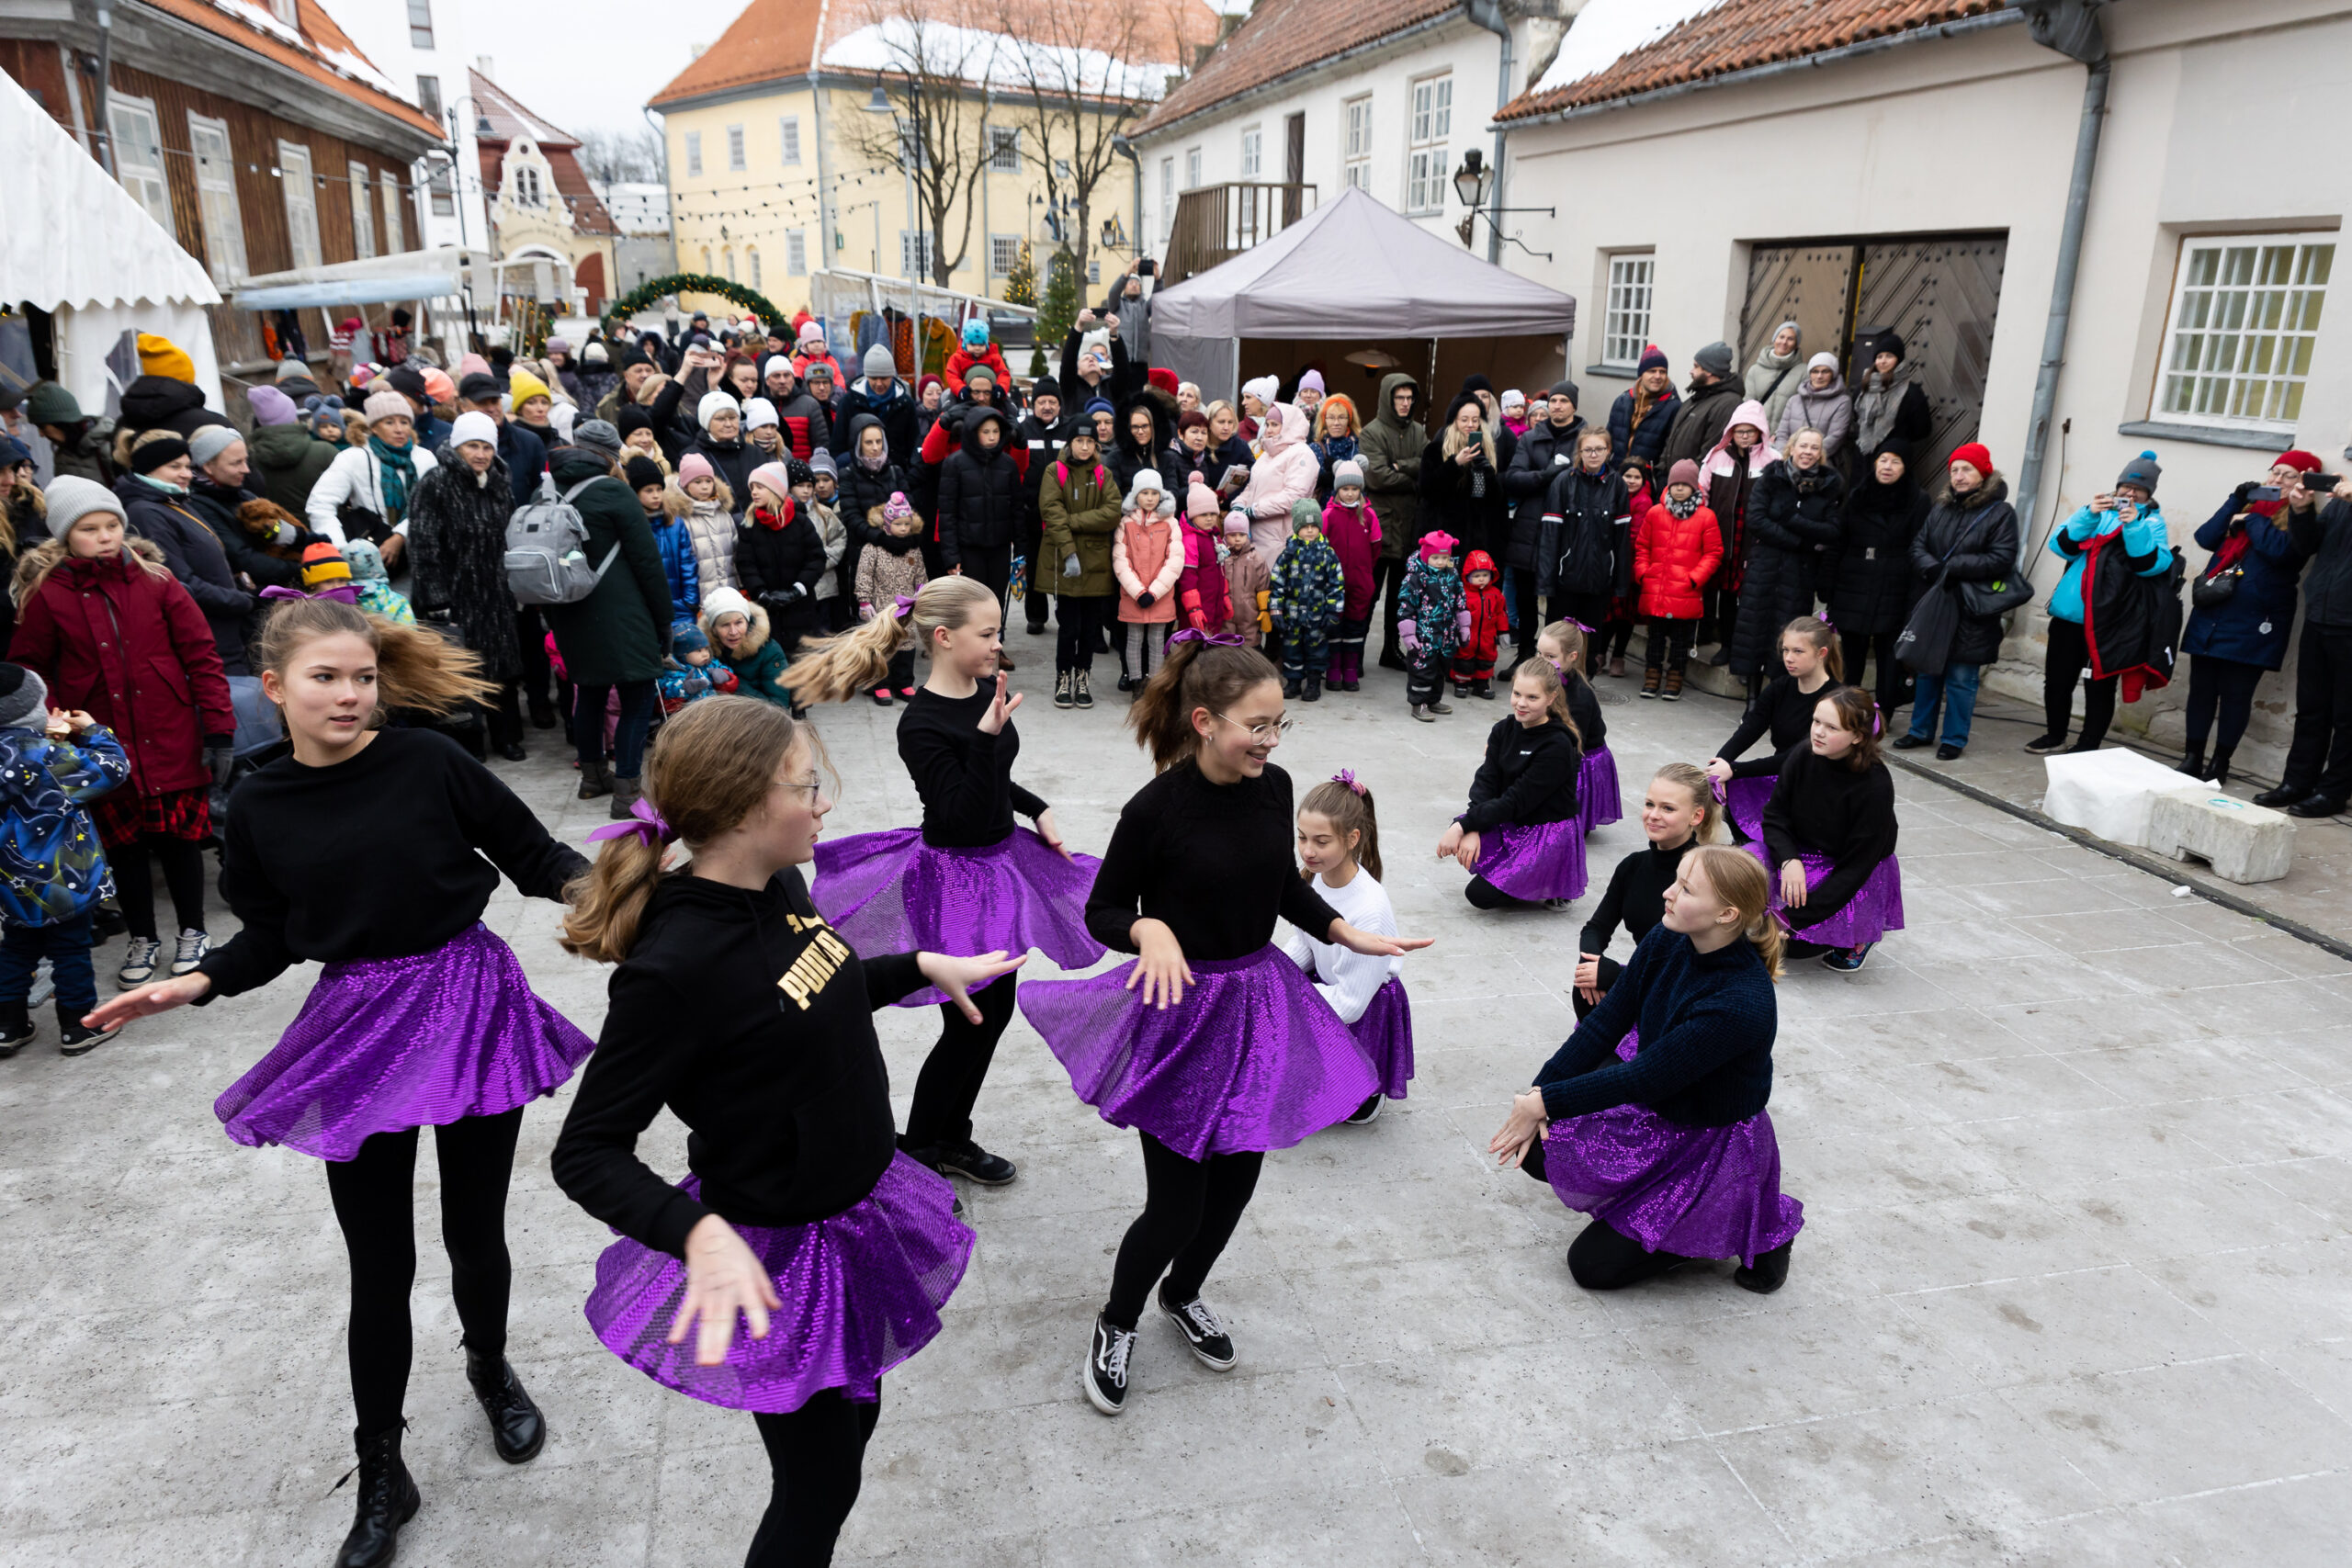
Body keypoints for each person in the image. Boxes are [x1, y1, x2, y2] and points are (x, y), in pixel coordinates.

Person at [88, 597, 595, 1567]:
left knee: (474, 1227)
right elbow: (274, 935)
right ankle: (381, 1467)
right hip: (358, 1026)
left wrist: (616, 892)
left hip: (468, 1000)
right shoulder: (259, 804)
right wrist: (192, 984)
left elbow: (536, 858)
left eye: (363, 676)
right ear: (274, 688)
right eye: (327, 677)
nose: (351, 694)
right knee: (381, 1263)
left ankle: (490, 1369)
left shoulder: (431, 760)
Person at [550, 696, 1001, 1568]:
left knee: (853, 1427)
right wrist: (698, 1236)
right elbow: (585, 1151)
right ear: (746, 806)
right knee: (818, 1489)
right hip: (779, 1255)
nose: (824, 803)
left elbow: (808, 987)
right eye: (807, 786)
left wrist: (916, 966)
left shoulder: (778, 883)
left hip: (857, 1212)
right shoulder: (674, 969)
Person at [1019, 635, 1427, 1416]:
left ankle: (1186, 1292)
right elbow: (1104, 908)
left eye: (1280, 726)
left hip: (1257, 1003)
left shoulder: (1273, 789)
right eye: (1257, 726)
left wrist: (1345, 931)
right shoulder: (1156, 809)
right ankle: (1117, 1319)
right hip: (1179, 1014)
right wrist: (1150, 931)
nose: (1271, 742)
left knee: (1237, 1185)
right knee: (1175, 1202)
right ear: (1205, 721)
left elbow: (1281, 885)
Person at [788, 577, 1102, 1190]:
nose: (997, 644)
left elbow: (996, 779)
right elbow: (957, 813)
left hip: (998, 867)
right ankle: (927, 1146)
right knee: (973, 1020)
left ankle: (945, 1135)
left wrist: (1034, 805)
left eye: (997, 632)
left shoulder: (985, 688)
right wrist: (985, 737)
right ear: (944, 636)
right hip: (955, 881)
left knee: (989, 1014)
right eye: (987, 633)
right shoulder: (921, 723)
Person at [1490, 843, 1801, 1294]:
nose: (1668, 894)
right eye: (1675, 880)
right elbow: (1604, 1024)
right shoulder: (1669, 937)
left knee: (1591, 1269)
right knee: (1540, 1148)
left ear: (1727, 915)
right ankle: (1655, 1212)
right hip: (1658, 1112)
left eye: (1686, 889)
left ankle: (1741, 1223)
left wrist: (1545, 1101)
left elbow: (1646, 1075)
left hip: (1709, 1141)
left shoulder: (1739, 1002)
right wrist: (1538, 1095)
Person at [12, 477, 232, 986]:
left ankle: (193, 931)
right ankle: (142, 936)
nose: (106, 536)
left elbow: (201, 654)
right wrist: (51, 732)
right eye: (90, 529)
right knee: (124, 848)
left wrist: (218, 727)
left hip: (170, 734)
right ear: (66, 537)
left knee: (180, 841)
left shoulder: (157, 580)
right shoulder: (50, 596)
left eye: (112, 525)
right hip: (100, 747)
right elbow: (29, 670)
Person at [0, 669, 130, 1055]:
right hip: (63, 879)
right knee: (71, 949)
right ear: (29, 713)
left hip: (9, 882)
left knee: (15, 950)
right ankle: (78, 1026)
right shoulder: (47, 757)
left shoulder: (29, 751)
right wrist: (91, 731)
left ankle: (7, 1026)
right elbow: (112, 768)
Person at [544, 434, 674, 813]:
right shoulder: (614, 494)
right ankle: (626, 791)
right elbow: (647, 562)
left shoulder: (547, 491)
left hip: (569, 611)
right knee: (637, 698)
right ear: (608, 457)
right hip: (622, 614)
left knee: (590, 693)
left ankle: (592, 778)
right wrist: (663, 620)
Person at [2175, 453, 2319, 784]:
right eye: (2275, 472)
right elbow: (2206, 538)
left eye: (2288, 475)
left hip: (2256, 622)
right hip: (2213, 612)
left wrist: (2249, 521)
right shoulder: (2247, 509)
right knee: (2201, 691)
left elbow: (2282, 552)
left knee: (2236, 695)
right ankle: (2192, 757)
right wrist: (2235, 502)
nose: (2276, 480)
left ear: (2302, 483)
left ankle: (2220, 763)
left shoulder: (2300, 518)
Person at [2026, 450, 2176, 756]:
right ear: (2117, 486)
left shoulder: (2153, 523)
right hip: (2069, 616)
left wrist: (2133, 526)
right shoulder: (2095, 512)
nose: (2130, 493)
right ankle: (2055, 735)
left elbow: (2150, 565)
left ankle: (2088, 744)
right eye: (2126, 487)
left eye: (2139, 490)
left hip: (2111, 622)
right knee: (2057, 681)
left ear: (2148, 494)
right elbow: (2062, 546)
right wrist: (2088, 514)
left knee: (2099, 687)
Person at [390, 418, 525, 758]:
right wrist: (436, 600)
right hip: (454, 597)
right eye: (473, 446)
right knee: (460, 673)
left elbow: (510, 538)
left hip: (496, 595)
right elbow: (423, 546)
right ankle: (469, 742)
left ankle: (506, 736)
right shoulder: (435, 483)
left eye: (487, 447)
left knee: (501, 671)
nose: (480, 454)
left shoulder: (499, 482)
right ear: (458, 447)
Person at [1283, 773, 1409, 1126]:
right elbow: (1307, 940)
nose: (1308, 851)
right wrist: (1274, 971)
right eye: (1302, 838)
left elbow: (1351, 1004)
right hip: (1328, 985)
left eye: (1321, 842)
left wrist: (1292, 998)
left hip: (1361, 1005)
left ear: (1352, 838)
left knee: (1327, 1110)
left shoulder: (1369, 910)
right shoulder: (1312, 876)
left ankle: (1368, 1085)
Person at [1758, 686, 1903, 970]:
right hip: (1803, 848)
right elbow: (1775, 816)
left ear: (1858, 737)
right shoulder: (1803, 754)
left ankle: (1860, 935)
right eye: (1816, 721)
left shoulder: (1875, 785)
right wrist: (1788, 860)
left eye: (1831, 727)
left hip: (1849, 863)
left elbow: (1855, 868)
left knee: (1796, 947)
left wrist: (1791, 919)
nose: (1818, 732)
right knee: (1741, 868)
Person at [1894, 441, 2019, 759]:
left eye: (1967, 469)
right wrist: (1933, 567)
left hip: (1970, 607)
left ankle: (1954, 739)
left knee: (1962, 678)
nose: (1959, 476)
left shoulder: (2000, 512)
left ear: (1983, 473)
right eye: (1954, 470)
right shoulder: (1941, 507)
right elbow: (1918, 546)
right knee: (1926, 670)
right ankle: (1920, 731)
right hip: (1937, 601)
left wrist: (1953, 567)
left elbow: (2002, 557)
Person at [1573, 763, 1721, 1021]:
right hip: (1648, 978)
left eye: (1668, 808)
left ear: (1696, 816)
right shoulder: (1633, 865)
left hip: (1687, 994)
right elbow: (1596, 927)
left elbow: (1692, 968)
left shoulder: (1707, 875)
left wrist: (1618, 976)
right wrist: (1591, 961)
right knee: (1586, 983)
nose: (1653, 815)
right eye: (1650, 804)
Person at [1439, 656, 1586, 910]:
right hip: (1511, 816)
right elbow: (1486, 781)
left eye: (1532, 697)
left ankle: (1550, 879)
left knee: (1480, 896)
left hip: (1544, 829)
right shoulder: (1503, 729)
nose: (1521, 703)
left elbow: (1518, 800)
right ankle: (1517, 873)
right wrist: (1472, 827)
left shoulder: (1558, 745)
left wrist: (1466, 824)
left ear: (1551, 698)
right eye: (1517, 693)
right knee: (1465, 833)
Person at [113, 432, 261, 676]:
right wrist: (240, 601)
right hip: (206, 633)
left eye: (187, 466)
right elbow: (180, 580)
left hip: (225, 629)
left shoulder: (176, 502)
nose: (186, 473)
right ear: (149, 470)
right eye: (175, 467)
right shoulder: (146, 512)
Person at [2257, 473, 2352, 816]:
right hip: (2320, 617)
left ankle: (2333, 792)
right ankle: (2297, 782)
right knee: (2311, 709)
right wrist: (2301, 510)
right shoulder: (2341, 501)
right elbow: (2308, 545)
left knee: (2347, 717)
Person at [1705, 615, 1844, 840]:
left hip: (1816, 782)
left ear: (1822, 654)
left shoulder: (1836, 699)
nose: (1788, 658)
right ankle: (1746, 844)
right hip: (1783, 774)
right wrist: (1718, 766)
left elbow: (1799, 754)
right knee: (1726, 783)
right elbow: (1750, 728)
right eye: (1785, 650)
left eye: (1798, 652)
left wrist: (1735, 769)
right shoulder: (1780, 687)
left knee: (1737, 777)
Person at [1822, 441, 1928, 721]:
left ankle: (1883, 715)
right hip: (1853, 585)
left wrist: (1914, 596)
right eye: (1883, 460)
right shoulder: (1859, 494)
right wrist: (1828, 585)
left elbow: (1920, 547)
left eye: (1895, 461)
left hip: (1894, 587)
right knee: (1851, 657)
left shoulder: (1917, 500)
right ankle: (1846, 711)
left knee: (1889, 658)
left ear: (1905, 467)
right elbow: (1838, 541)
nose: (1887, 467)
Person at [1733, 428, 1843, 694]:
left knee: (1790, 634)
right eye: (1803, 446)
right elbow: (1757, 521)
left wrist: (1793, 521)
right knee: (1754, 632)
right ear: (1791, 448)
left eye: (1814, 448)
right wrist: (1798, 541)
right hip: (1764, 567)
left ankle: (1778, 697)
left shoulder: (1830, 485)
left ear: (1821, 453)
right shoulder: (1771, 478)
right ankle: (1752, 701)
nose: (1807, 452)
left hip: (1800, 573)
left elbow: (1832, 530)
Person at [1504, 381, 1590, 661]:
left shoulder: (1584, 440)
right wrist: (1546, 475)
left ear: (1574, 406)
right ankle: (1525, 655)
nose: (1557, 406)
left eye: (1564, 400)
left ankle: (1554, 660)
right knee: (1526, 597)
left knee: (1559, 601)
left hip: (1566, 532)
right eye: (1553, 400)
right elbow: (1513, 479)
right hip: (1529, 531)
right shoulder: (1531, 438)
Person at [1038, 422, 1122, 711]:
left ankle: (1083, 677)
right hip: (1064, 561)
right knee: (1068, 627)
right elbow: (1051, 511)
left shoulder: (1103, 473)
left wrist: (1074, 521)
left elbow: (1112, 512)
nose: (1085, 447)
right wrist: (1071, 550)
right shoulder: (1055, 471)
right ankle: (1063, 678)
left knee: (1089, 628)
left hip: (1096, 563)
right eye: (1079, 441)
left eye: (1090, 441)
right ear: (1069, 443)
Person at [1696, 400, 1778, 671]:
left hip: (1755, 542)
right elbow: (1702, 494)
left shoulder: (1773, 461)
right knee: (1726, 598)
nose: (1744, 436)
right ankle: (1726, 646)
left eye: (1750, 431)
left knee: (1751, 601)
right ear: (1731, 430)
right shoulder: (1717, 456)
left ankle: (1749, 655)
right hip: (1724, 539)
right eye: (1739, 430)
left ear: (1760, 432)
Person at [1633, 458, 1723, 700]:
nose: (1679, 488)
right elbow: (1642, 545)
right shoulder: (1655, 513)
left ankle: (1675, 677)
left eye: (1685, 484)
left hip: (1686, 591)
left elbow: (1713, 553)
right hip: (1657, 589)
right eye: (1675, 484)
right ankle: (1651, 676)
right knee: (1655, 638)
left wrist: (1695, 579)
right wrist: (1643, 571)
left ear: (1694, 487)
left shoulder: (1706, 517)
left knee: (1681, 640)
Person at [735, 463, 826, 697]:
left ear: (776, 490)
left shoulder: (801, 522)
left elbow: (816, 558)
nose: (753, 492)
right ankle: (777, 701)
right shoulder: (749, 525)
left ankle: (799, 702)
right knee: (770, 657)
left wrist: (798, 590)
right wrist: (761, 593)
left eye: (760, 487)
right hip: (766, 607)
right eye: (752, 487)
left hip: (800, 605)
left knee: (799, 654)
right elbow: (746, 564)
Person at [1534, 427, 1631, 640]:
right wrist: (1545, 582)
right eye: (1588, 450)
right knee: (1557, 644)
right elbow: (1550, 537)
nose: (1593, 455)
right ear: (1579, 452)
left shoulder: (1617, 485)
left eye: (1599, 449)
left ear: (1609, 451)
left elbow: (1622, 539)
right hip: (1565, 581)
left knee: (1588, 649)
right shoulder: (1562, 482)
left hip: (1599, 583)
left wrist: (1621, 584)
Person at [935, 405, 1023, 639]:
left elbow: (1017, 510)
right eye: (986, 431)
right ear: (974, 433)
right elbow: (947, 513)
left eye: (995, 431)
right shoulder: (955, 464)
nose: (992, 437)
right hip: (969, 547)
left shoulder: (1008, 464)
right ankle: (971, 648)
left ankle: (996, 646)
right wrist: (951, 557)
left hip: (1000, 546)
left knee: (996, 600)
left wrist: (1021, 553)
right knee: (972, 603)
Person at [307, 390, 437, 547]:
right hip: (371, 550)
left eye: (404, 422)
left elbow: (432, 505)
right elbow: (320, 504)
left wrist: (400, 536)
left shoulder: (424, 458)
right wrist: (343, 549)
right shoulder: (353, 458)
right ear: (374, 427)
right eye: (389, 422)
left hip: (422, 547)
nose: (399, 429)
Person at [1359, 374, 1424, 668]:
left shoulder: (1419, 432)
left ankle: (1391, 649)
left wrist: (1404, 466)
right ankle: (1355, 651)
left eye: (1410, 398)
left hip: (1409, 526)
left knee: (1401, 596)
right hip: (1380, 526)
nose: (1405, 404)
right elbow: (1377, 476)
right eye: (1400, 398)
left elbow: (1427, 467)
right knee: (1369, 593)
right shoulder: (1371, 432)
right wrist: (1412, 479)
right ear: (1388, 398)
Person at [1534, 620, 1619, 832]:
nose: (1542, 662)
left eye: (1550, 657)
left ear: (1572, 657)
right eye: (1539, 653)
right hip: (1558, 746)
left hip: (1582, 760)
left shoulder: (1580, 697)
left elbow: (1571, 747)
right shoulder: (1549, 678)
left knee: (1562, 825)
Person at [1013, 377, 1077, 637]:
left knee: (1065, 564)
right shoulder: (1022, 430)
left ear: (1060, 405)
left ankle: (1066, 613)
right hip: (1031, 512)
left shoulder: (1069, 431)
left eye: (1053, 401)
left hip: (1063, 514)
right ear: (1033, 404)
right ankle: (1036, 616)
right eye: (1042, 401)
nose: (1047, 406)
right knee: (1035, 564)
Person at [854, 493, 929, 704]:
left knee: (906, 644)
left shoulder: (914, 549)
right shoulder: (873, 549)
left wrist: (922, 594)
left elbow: (920, 575)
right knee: (882, 646)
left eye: (907, 524)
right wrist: (864, 600)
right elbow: (864, 575)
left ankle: (904, 683)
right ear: (887, 524)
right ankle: (880, 684)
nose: (904, 528)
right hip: (881, 606)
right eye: (898, 524)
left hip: (907, 607)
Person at [1270, 497, 1345, 702]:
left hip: (1317, 616)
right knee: (1291, 649)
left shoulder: (1328, 554)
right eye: (1305, 526)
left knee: (1317, 651)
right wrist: (1276, 611)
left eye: (1314, 526)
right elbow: (1277, 583)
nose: (1310, 531)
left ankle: (1313, 683)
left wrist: (1333, 612)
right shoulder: (1288, 554)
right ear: (1296, 528)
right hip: (1292, 616)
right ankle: (1293, 682)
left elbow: (1336, 585)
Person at [1113, 469, 1182, 692]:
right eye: (1145, 493)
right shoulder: (1127, 523)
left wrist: (1154, 592)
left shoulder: (1170, 523)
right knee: (1133, 638)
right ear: (1136, 496)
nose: (1150, 498)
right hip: (1133, 594)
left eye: (1154, 493)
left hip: (1160, 595)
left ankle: (1154, 683)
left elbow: (1175, 560)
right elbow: (1120, 560)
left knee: (1156, 640)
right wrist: (1138, 591)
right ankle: (1136, 682)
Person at [1420, 394, 1510, 563]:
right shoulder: (1436, 450)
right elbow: (1427, 490)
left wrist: (1488, 472)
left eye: (1475, 420)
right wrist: (1455, 464)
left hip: (1476, 540)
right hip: (1444, 541)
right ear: (1454, 420)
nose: (1470, 425)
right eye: (1464, 419)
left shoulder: (1486, 450)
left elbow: (1495, 500)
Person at [1235, 403, 1322, 570]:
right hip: (1255, 536)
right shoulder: (1267, 454)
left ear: (1289, 425)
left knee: (1273, 590)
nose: (1269, 429)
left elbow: (1294, 496)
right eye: (1267, 424)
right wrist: (1239, 504)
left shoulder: (1301, 453)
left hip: (1279, 539)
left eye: (1275, 425)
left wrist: (1255, 510)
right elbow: (1252, 487)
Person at [1320, 459, 1382, 690]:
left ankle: (1350, 670)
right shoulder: (1328, 515)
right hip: (1333, 584)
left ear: (1360, 490)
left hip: (1359, 582)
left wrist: (1365, 573)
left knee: (1355, 627)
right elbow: (1322, 546)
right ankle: (1333, 669)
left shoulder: (1369, 515)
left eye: (1354, 489)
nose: (1349, 494)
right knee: (1335, 626)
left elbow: (1375, 547)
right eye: (1345, 489)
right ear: (1337, 490)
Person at [1397, 530, 1465, 722]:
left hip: (1445, 634)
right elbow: (1406, 606)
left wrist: (1463, 626)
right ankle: (1419, 703)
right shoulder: (1416, 577)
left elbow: (1460, 600)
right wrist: (1409, 635)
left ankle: (1433, 700)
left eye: (1444, 557)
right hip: (1423, 636)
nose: (1440, 562)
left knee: (1441, 669)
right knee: (1422, 669)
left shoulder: (1452, 574)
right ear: (1426, 555)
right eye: (1435, 557)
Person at [245, 383, 340, 513]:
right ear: (292, 416)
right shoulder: (325, 451)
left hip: (280, 531)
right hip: (332, 528)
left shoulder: (250, 462)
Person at [703, 586, 794, 708]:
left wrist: (735, 686)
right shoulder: (704, 652)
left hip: (759, 721)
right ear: (713, 629)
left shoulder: (770, 651)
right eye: (725, 625)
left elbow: (779, 706)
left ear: (747, 621)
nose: (733, 631)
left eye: (738, 622)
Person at [1659, 342, 1742, 474]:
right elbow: (1671, 438)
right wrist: (1662, 470)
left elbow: (1710, 452)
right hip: (1674, 483)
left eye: (1696, 367)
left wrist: (1684, 481)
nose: (1691, 371)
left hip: (1692, 486)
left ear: (1709, 371)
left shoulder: (1728, 404)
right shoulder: (1694, 400)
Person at [1850, 330, 1934, 459]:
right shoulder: (1863, 388)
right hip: (1863, 456)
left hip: (1893, 457)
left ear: (1898, 360)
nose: (1883, 361)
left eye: (1889, 356)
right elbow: (1856, 417)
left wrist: (1898, 438)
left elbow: (1922, 429)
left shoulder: (1911, 392)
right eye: (1879, 357)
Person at [831, 345, 916, 469]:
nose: (879, 383)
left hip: (897, 478)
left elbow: (913, 446)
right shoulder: (848, 402)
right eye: (874, 378)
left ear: (892, 376)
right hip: (858, 479)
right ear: (866, 376)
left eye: (884, 378)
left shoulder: (905, 404)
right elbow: (837, 447)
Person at [671, 454, 740, 597]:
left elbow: (735, 555)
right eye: (697, 482)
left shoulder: (724, 515)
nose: (705, 486)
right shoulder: (681, 520)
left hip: (730, 594)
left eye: (709, 481)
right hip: (699, 597)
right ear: (685, 485)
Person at [1776, 353, 1854, 469]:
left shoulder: (1842, 402)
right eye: (1815, 371)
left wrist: (1808, 457)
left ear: (1833, 374)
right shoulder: (1794, 400)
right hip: (1789, 464)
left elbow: (1835, 437)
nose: (1819, 376)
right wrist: (1785, 455)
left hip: (1820, 466)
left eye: (1825, 371)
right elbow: (1782, 434)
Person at [1608, 347, 1681, 470]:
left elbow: (1670, 451)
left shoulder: (1674, 407)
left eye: (1662, 372)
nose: (1658, 376)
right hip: (1617, 474)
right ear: (1641, 374)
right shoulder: (1622, 401)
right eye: (1652, 371)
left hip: (1648, 480)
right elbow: (1608, 439)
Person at [1453, 548, 1508, 701]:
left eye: (1485, 575)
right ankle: (1461, 683)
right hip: (1468, 635)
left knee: (1486, 660)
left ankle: (1481, 685)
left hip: (1487, 637)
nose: (1481, 579)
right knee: (1464, 659)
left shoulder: (1496, 594)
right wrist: (1455, 633)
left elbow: (1501, 614)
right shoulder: (1463, 593)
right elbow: (1456, 614)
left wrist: (1504, 632)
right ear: (1467, 576)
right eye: (1476, 576)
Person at [1744, 323, 1806, 435]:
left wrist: (1781, 435)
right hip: (1756, 435)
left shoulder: (1803, 372)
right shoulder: (1755, 370)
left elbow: (1801, 410)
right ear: (1774, 339)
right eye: (1781, 337)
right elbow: (1748, 404)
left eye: (1790, 339)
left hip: (1784, 438)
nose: (1784, 342)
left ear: (1796, 344)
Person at [1222, 509, 1272, 649]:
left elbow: (1263, 587)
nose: (1237, 539)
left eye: (1242, 535)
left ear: (1247, 535)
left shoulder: (1256, 559)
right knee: (1226, 648)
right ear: (1226, 536)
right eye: (1232, 535)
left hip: (1250, 613)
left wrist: (1264, 610)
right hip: (1226, 614)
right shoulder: (1221, 558)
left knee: (1250, 647)